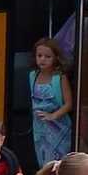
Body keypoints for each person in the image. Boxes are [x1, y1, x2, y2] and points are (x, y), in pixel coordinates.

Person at [29, 38, 72, 167]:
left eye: (48, 56)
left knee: (57, 164)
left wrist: (53, 116)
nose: (42, 59)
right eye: (39, 56)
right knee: (42, 161)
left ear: (55, 58)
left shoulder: (59, 78)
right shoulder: (33, 76)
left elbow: (69, 103)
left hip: (58, 128)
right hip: (39, 128)